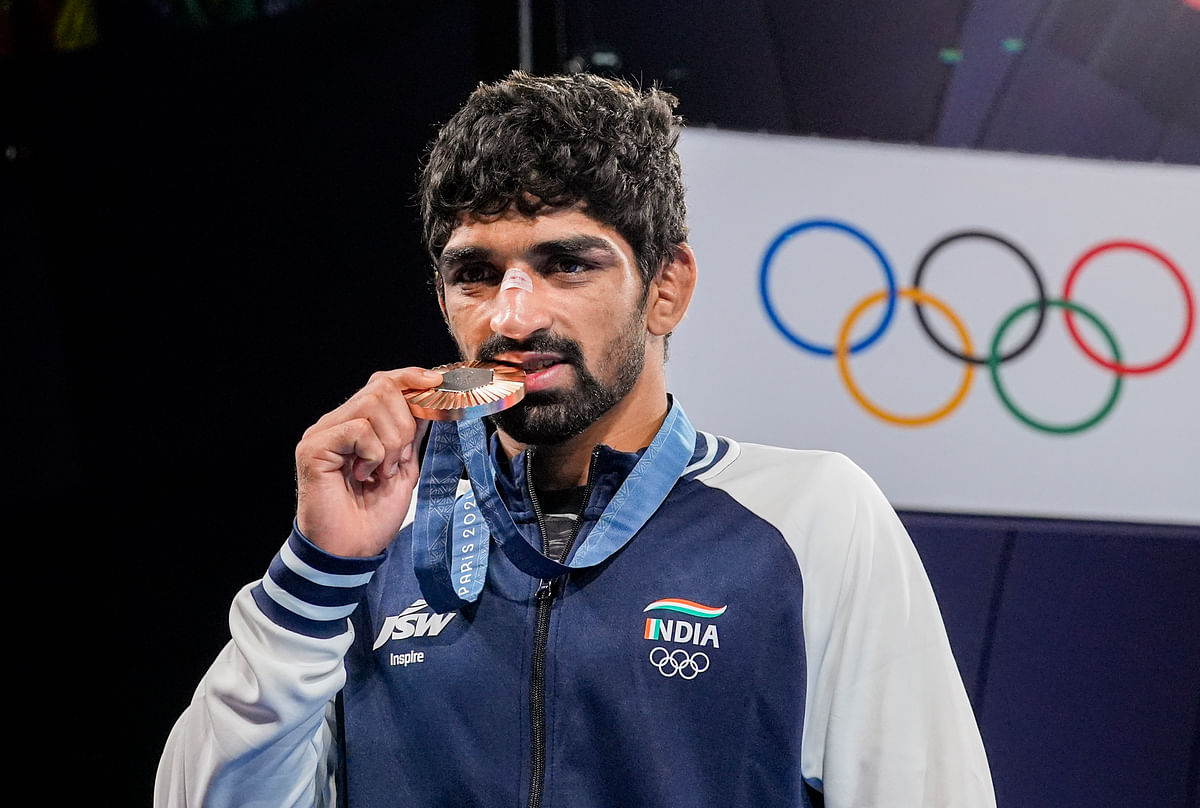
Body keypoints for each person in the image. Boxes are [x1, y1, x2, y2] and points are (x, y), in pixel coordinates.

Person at [155, 71, 995, 808]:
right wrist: (318, 571)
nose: (513, 315)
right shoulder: (372, 540)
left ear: (665, 290)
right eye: (476, 274)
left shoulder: (811, 519)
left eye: (567, 264)